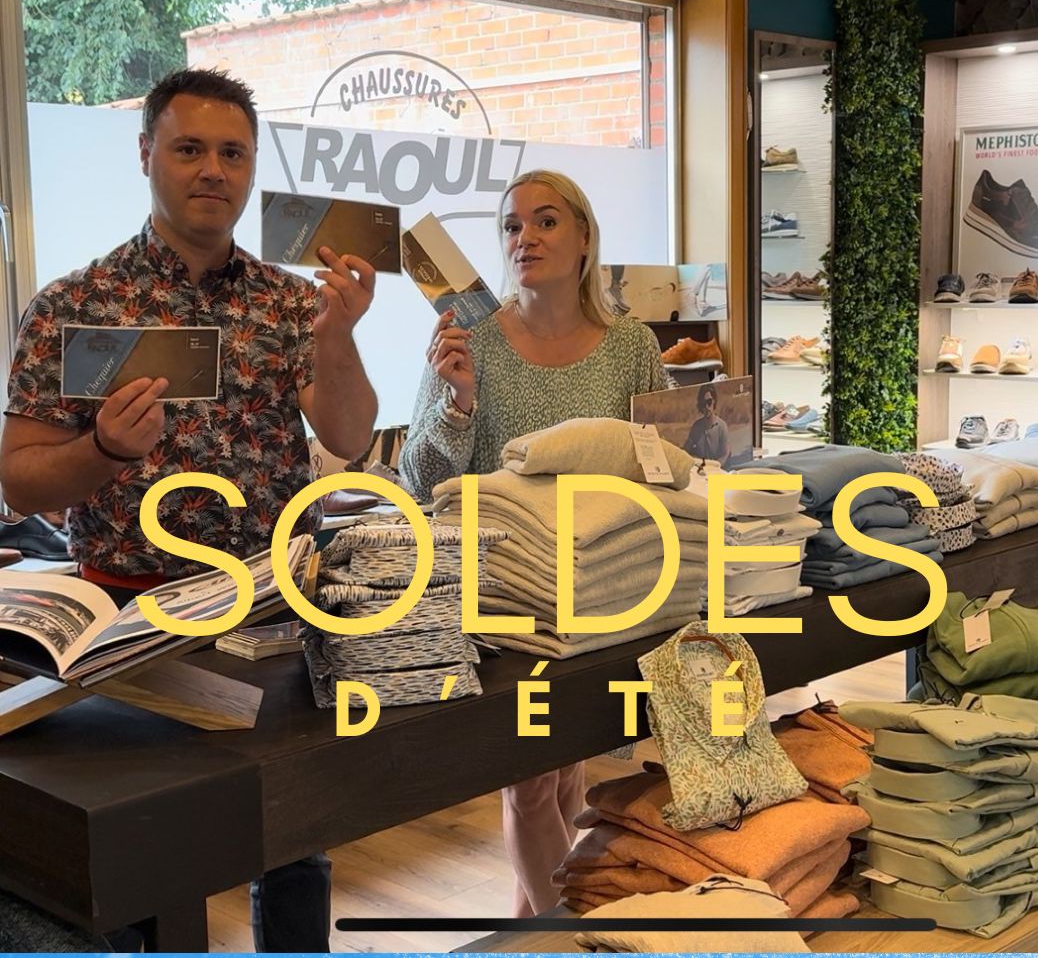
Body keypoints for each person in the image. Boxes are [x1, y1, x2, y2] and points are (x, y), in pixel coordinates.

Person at [0, 67, 378, 952]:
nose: (213, 169)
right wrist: (102, 450)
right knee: (152, 850)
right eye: (190, 149)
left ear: (252, 169)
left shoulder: (293, 302)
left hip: (272, 608)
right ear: (146, 155)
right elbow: (20, 483)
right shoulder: (73, 307)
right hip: (131, 617)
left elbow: (350, 434)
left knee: (292, 833)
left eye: (232, 153)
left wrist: (338, 337)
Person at [399, 169, 670, 918]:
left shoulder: (632, 347)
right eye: (512, 226)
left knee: (564, 775)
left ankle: (526, 936)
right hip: (504, 592)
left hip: (599, 591)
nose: (526, 238)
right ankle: (569, 935)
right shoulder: (470, 342)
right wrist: (458, 404)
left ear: (584, 238)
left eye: (546, 221)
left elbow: (659, 465)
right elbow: (419, 480)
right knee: (527, 782)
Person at [683, 383, 730, 464]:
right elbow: (686, 450)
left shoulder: (722, 427)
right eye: (703, 403)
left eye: (709, 402)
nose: (707, 407)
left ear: (714, 401)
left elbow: (725, 454)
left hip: (717, 468)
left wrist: (714, 467)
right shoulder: (696, 427)